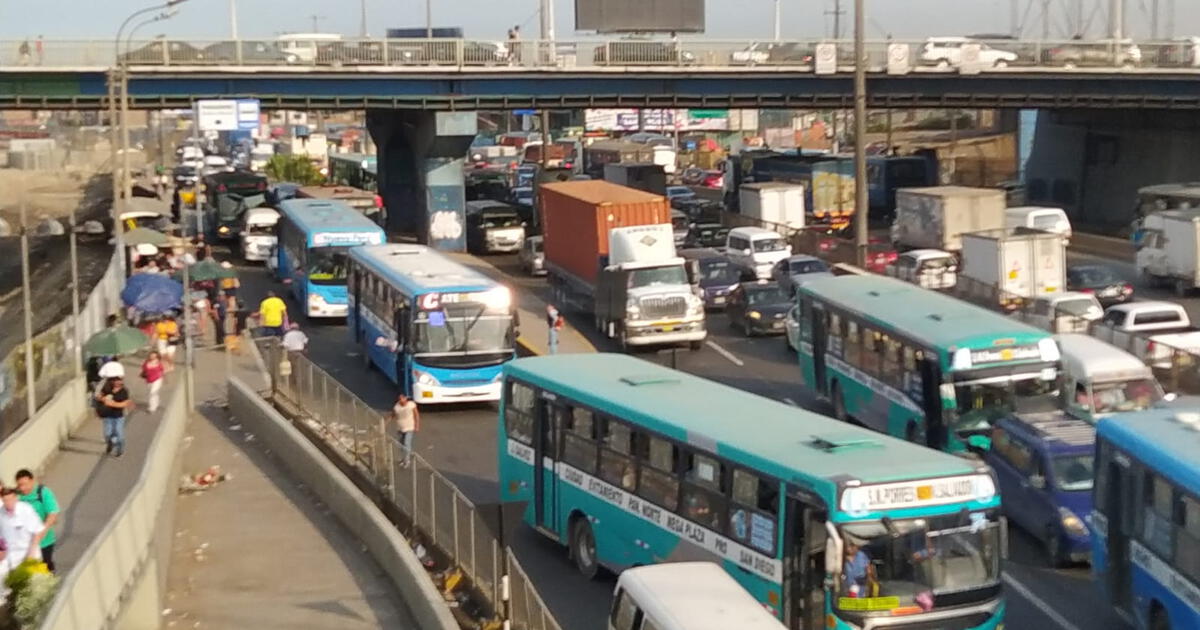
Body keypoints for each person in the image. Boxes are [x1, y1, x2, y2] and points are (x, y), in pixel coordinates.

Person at [15, 470, 58, 572]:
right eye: (19, 485)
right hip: (25, 542)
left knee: (45, 567)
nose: (22, 488)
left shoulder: (43, 493)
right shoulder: (17, 496)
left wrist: (43, 530)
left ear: (32, 481)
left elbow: (52, 514)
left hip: (44, 541)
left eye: (25, 484)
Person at [0, 487, 43, 574]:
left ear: (15, 498)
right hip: (11, 555)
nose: (8, 503)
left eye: (10, 499)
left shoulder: (26, 509)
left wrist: (31, 553)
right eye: (5, 500)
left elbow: (37, 531)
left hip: (30, 551)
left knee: (32, 583)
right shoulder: (1, 514)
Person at [96, 377, 134, 457]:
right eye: (115, 381)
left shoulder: (124, 391)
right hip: (108, 416)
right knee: (107, 434)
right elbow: (99, 397)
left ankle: (120, 450)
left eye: (119, 381)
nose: (117, 383)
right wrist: (104, 399)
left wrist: (112, 403)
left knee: (119, 434)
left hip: (118, 417)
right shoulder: (107, 388)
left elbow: (124, 404)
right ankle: (110, 443)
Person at [392, 393, 420, 466]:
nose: (401, 400)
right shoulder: (396, 407)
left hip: (409, 427)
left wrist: (417, 425)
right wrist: (385, 422)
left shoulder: (411, 405)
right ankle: (403, 458)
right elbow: (393, 415)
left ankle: (407, 461)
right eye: (399, 399)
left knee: (406, 443)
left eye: (402, 398)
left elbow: (416, 414)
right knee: (401, 445)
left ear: (405, 398)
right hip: (400, 428)